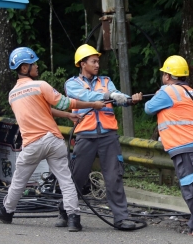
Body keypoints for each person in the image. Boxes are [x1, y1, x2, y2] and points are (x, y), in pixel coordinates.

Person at [0, 47, 105, 232]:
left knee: (18, 181)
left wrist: (67, 117)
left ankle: (6, 211)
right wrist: (92, 104)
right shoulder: (40, 86)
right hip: (53, 140)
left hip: (32, 144)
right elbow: (66, 102)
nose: (37, 66)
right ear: (24, 68)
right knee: (66, 180)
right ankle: (74, 219)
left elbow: (40, 109)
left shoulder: (12, 96)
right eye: (34, 63)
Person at [57, 44, 142, 230]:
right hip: (85, 135)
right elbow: (86, 96)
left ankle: (121, 218)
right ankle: (65, 211)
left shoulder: (106, 80)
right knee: (77, 176)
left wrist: (130, 99)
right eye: (93, 61)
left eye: (98, 61)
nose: (97, 65)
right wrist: (109, 95)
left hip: (108, 135)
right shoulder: (72, 83)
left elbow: (118, 96)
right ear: (82, 64)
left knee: (114, 176)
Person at [144, 55, 193, 240]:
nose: (163, 77)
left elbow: (148, 108)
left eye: (164, 74)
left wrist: (156, 93)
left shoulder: (167, 92)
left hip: (186, 146)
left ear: (168, 76)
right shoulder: (192, 94)